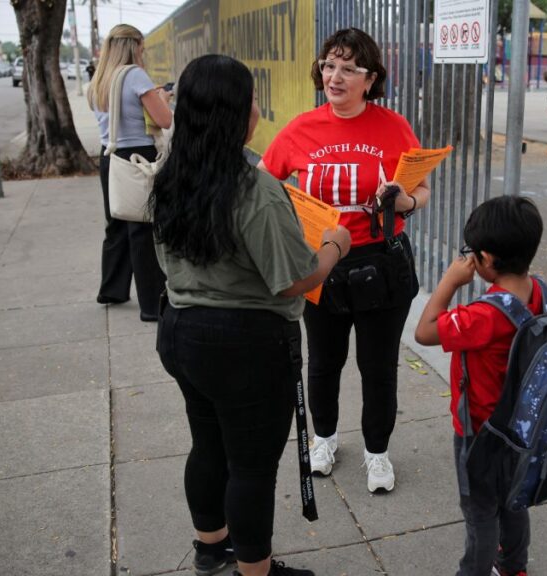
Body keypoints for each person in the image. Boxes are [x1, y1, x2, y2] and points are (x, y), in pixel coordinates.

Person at [151, 54, 352, 576]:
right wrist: (333, 246)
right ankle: (255, 572)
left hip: (181, 331)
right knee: (252, 466)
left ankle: (210, 549)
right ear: (237, 113)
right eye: (252, 99)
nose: (258, 109)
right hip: (245, 346)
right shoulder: (254, 189)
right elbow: (293, 278)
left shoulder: (170, 175)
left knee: (208, 444)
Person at [259, 27, 431, 493]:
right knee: (323, 362)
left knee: (378, 366)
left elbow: (421, 188)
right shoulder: (300, 128)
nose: (335, 76)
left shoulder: (393, 126)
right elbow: (263, 183)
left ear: (370, 79)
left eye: (349, 68)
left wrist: (403, 202)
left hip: (383, 261)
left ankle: (377, 452)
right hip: (321, 264)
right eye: (329, 65)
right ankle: (326, 439)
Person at [414, 195, 544, 576]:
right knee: (514, 502)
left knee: (481, 514)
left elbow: (424, 332)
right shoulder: (539, 292)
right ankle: (513, 566)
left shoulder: (482, 317)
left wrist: (450, 281)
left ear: (486, 260)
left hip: (480, 431)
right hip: (522, 427)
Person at [87, 24, 171, 322]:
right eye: (142, 47)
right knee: (143, 231)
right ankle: (152, 306)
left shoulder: (100, 77)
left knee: (117, 225)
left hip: (109, 156)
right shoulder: (134, 75)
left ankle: (111, 289)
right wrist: (162, 98)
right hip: (138, 158)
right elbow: (163, 119)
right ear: (134, 45)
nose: (143, 52)